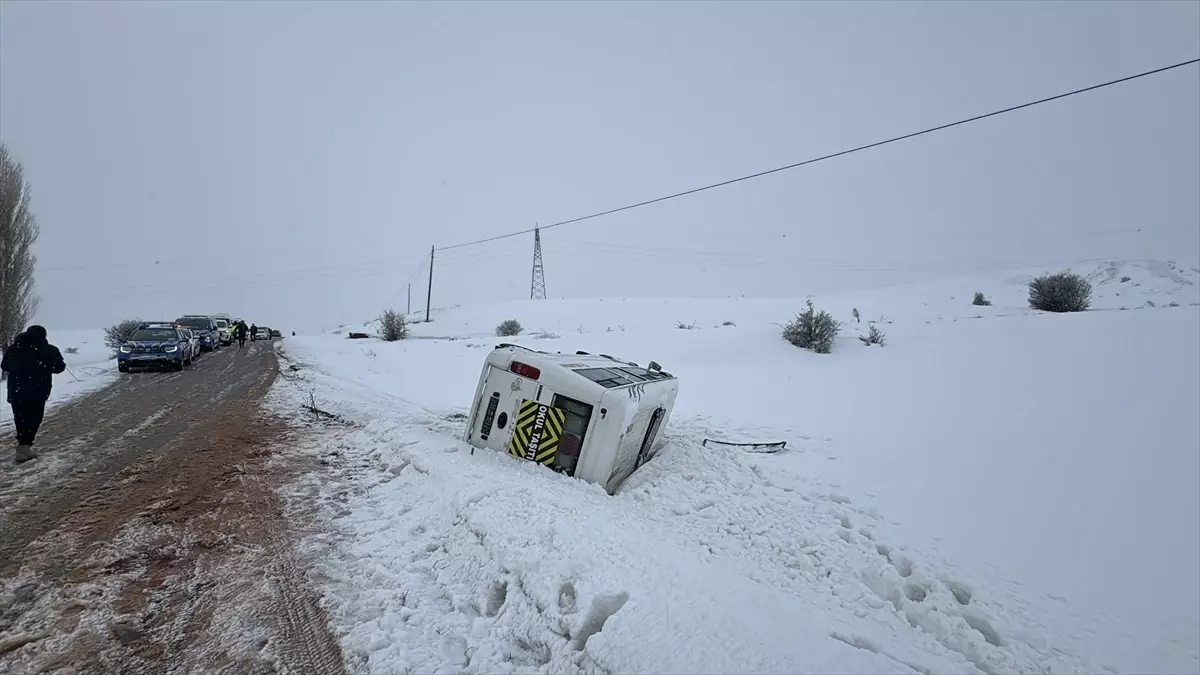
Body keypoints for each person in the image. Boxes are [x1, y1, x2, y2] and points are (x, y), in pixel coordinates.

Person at [1, 325, 66, 462]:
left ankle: (22, 444)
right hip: (37, 390)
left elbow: (4, 365)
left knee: (20, 418)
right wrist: (45, 365)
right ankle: (24, 448)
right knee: (33, 419)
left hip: (16, 390)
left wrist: (20, 367)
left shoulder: (13, 348)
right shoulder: (49, 349)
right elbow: (59, 368)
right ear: (44, 335)